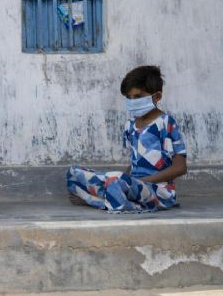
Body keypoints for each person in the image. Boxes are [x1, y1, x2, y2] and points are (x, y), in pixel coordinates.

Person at [66, 65, 188, 213]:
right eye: (129, 97)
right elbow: (134, 163)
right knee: (74, 173)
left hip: (158, 191)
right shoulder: (130, 125)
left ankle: (103, 201)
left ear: (157, 97)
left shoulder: (166, 122)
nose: (132, 101)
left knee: (116, 179)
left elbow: (180, 168)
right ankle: (115, 197)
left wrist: (139, 181)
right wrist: (126, 180)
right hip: (134, 185)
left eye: (138, 97)